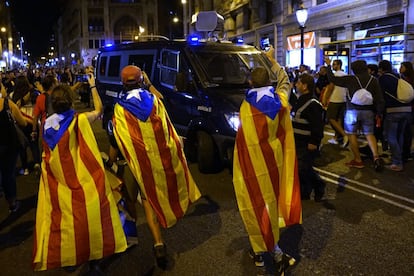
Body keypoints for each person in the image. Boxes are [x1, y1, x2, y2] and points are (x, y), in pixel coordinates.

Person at [107, 65, 201, 269]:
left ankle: (135, 237)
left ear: (123, 84)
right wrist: (149, 84)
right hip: (158, 162)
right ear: (141, 81)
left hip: (136, 165)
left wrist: (111, 161)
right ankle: (157, 242)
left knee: (131, 198)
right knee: (152, 198)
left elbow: (116, 140)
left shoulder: (120, 109)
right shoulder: (155, 102)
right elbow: (165, 123)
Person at [32, 74, 127, 272]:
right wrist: (92, 86)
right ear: (70, 102)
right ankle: (93, 260)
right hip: (84, 179)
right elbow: (99, 110)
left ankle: (71, 256)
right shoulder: (79, 120)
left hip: (61, 183)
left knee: (67, 221)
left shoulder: (46, 126)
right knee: (92, 217)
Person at [233, 49, 302, 275]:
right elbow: (285, 81)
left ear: (251, 82)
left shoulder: (246, 107)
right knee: (270, 204)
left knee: (255, 206)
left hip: (253, 166)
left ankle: (270, 253)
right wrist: (273, 60)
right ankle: (264, 250)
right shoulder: (280, 100)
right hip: (276, 164)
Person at [325, 57, 385, 171]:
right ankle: (376, 157)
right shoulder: (373, 80)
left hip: (352, 111)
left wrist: (328, 65)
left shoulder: (351, 79)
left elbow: (332, 79)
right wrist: (379, 113)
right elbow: (379, 99)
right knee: (369, 134)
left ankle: (358, 160)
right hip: (368, 111)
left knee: (352, 134)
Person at [292, 73, 326, 201]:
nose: (296, 85)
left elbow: (318, 125)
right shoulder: (299, 100)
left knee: (303, 168)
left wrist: (314, 141)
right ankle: (304, 193)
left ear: (305, 86)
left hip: (306, 142)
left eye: (299, 83)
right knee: (300, 168)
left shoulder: (313, 103)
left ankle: (318, 185)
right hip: (297, 141)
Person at [378, 60, 412, 171]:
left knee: (391, 136)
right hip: (407, 109)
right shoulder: (398, 77)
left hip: (393, 111)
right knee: (399, 136)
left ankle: (397, 162)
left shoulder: (383, 79)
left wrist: (379, 112)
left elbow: (381, 97)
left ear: (381, 69)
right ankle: (398, 158)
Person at [0, 82, 27, 213]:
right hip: (8, 145)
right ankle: (12, 203)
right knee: (8, 174)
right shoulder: (7, 103)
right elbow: (22, 121)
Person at [322, 59, 349, 148]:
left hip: (335, 99)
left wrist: (325, 99)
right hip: (343, 100)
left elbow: (330, 88)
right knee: (339, 120)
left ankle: (344, 135)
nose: (333, 66)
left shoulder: (336, 75)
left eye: (335, 64)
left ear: (339, 65)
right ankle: (337, 137)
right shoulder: (345, 75)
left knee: (331, 118)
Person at [400, 61, 414, 161]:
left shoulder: (407, 80)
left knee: (407, 130)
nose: (400, 68)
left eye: (402, 66)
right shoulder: (403, 78)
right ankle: (406, 151)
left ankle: (406, 152)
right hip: (409, 107)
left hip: (410, 107)